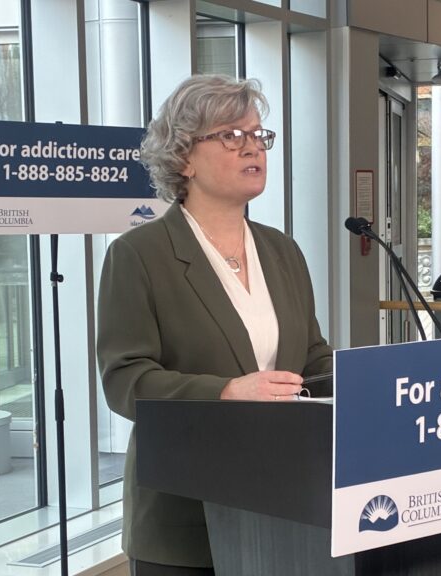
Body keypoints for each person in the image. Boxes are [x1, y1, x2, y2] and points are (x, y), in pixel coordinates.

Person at [96, 74, 332, 575]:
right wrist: (226, 391)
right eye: (231, 135)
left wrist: (370, 377)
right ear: (184, 158)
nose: (253, 148)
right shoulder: (138, 255)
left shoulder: (281, 249)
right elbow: (125, 381)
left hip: (282, 504)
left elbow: (311, 356)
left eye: (258, 135)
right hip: (185, 515)